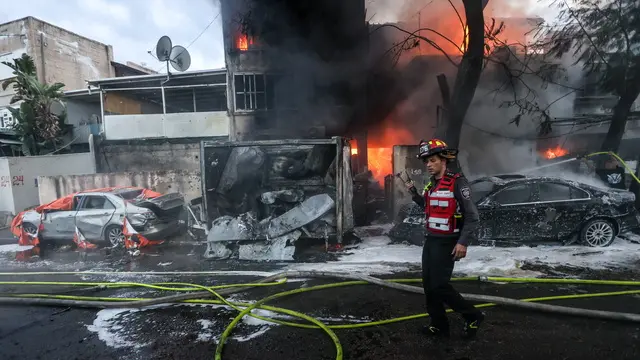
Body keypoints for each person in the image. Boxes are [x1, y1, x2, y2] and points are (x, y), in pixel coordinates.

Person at [404, 138, 485, 339]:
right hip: (431, 240)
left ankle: (473, 315)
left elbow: (472, 217)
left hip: (448, 242)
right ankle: (439, 325)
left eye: (432, 160)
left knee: (440, 285)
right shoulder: (432, 184)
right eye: (426, 161)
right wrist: (414, 194)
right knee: (428, 285)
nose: (428, 165)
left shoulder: (458, 182)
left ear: (444, 160)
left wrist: (463, 242)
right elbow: (430, 208)